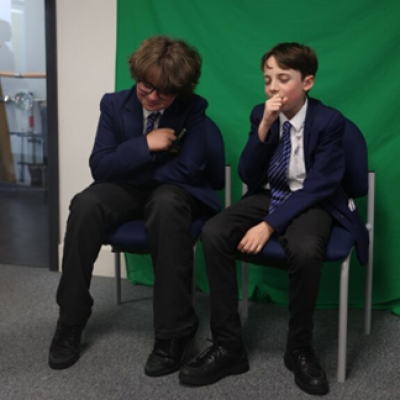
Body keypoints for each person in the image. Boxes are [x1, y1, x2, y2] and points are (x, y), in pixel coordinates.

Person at [179, 42, 369, 395]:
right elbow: (250, 175)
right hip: (268, 193)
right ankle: (228, 347)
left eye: (283, 78)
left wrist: (269, 225)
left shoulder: (329, 121)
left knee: (305, 249)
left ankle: (299, 349)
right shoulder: (260, 113)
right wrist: (265, 127)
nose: (273, 88)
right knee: (214, 231)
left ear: (307, 82)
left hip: (312, 199)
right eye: (268, 79)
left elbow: (321, 186)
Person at [48, 35, 221, 377]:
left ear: (181, 89)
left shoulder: (194, 108)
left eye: (165, 91)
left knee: (166, 204)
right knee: (85, 204)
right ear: (136, 75)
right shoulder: (113, 105)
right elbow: (100, 166)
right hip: (126, 190)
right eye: (147, 86)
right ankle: (70, 319)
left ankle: (176, 331)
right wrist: (147, 144)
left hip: (174, 192)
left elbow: (188, 170)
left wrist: (129, 164)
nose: (154, 97)